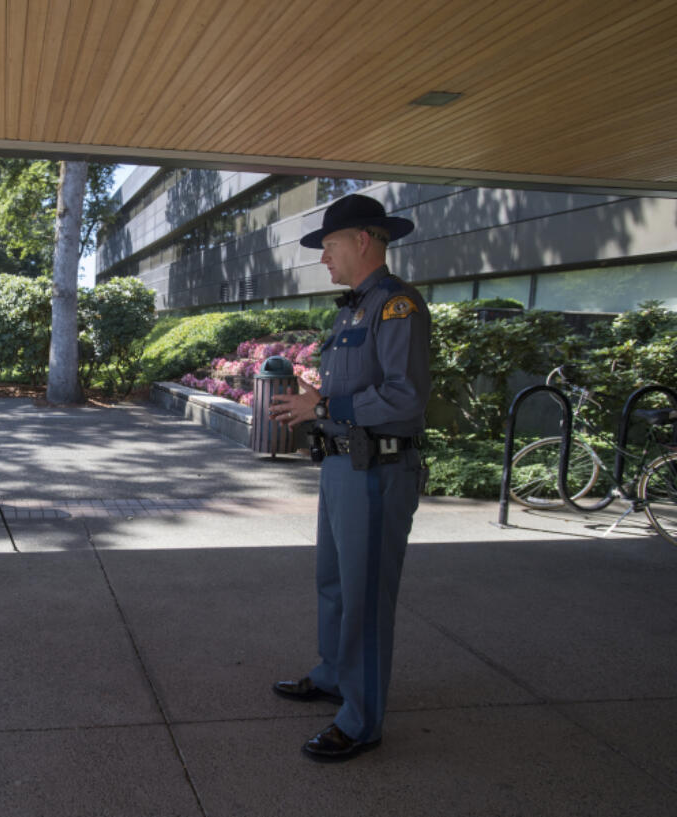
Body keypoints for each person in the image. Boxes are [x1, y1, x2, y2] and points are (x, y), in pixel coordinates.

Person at [268, 194, 430, 762]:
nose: (323, 259)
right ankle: (335, 674)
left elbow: (404, 399)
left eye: (329, 246)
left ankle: (361, 721)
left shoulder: (397, 306)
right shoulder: (352, 310)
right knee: (334, 584)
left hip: (378, 470)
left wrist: (326, 403)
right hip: (342, 465)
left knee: (365, 598)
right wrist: (315, 409)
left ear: (363, 240)